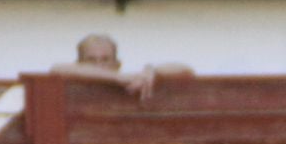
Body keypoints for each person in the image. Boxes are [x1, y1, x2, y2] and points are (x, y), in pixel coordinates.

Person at [51, 34, 194, 100]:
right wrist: (116, 77)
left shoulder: (133, 83)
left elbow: (185, 69)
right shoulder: (70, 83)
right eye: (91, 60)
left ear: (117, 64)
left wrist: (151, 71)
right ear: (79, 64)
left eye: (105, 59)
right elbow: (57, 69)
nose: (99, 65)